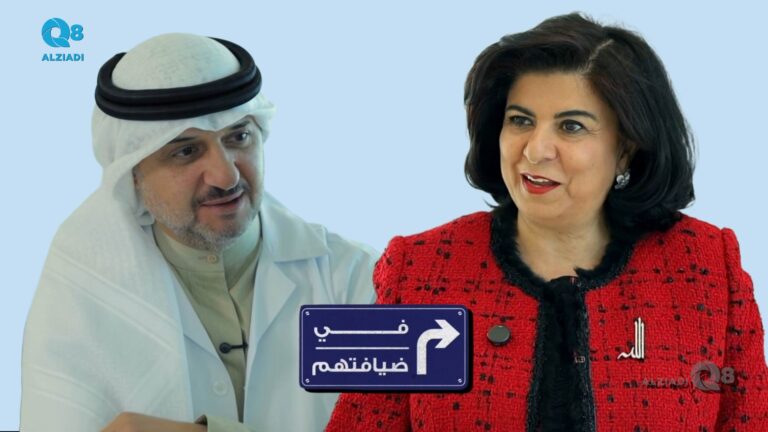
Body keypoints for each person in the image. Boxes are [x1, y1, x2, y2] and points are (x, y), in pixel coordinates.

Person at [326, 13, 768, 431]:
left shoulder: (706, 266)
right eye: (520, 120)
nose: (536, 150)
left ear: (626, 148)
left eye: (571, 127)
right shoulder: (421, 270)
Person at [21, 33, 377, 432]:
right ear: (133, 173)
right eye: (185, 151)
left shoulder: (357, 280)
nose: (226, 176)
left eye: (238, 136)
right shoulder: (79, 300)